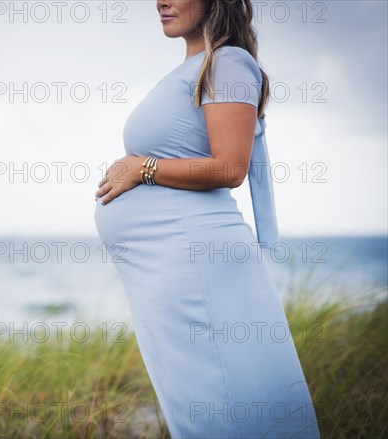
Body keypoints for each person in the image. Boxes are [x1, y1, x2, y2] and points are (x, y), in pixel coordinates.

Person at [93, 0, 321, 437]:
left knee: (221, 398)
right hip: (175, 270)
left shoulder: (229, 62)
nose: (160, 1)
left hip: (196, 265)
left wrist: (144, 168)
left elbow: (230, 168)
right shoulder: (194, 68)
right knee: (198, 401)